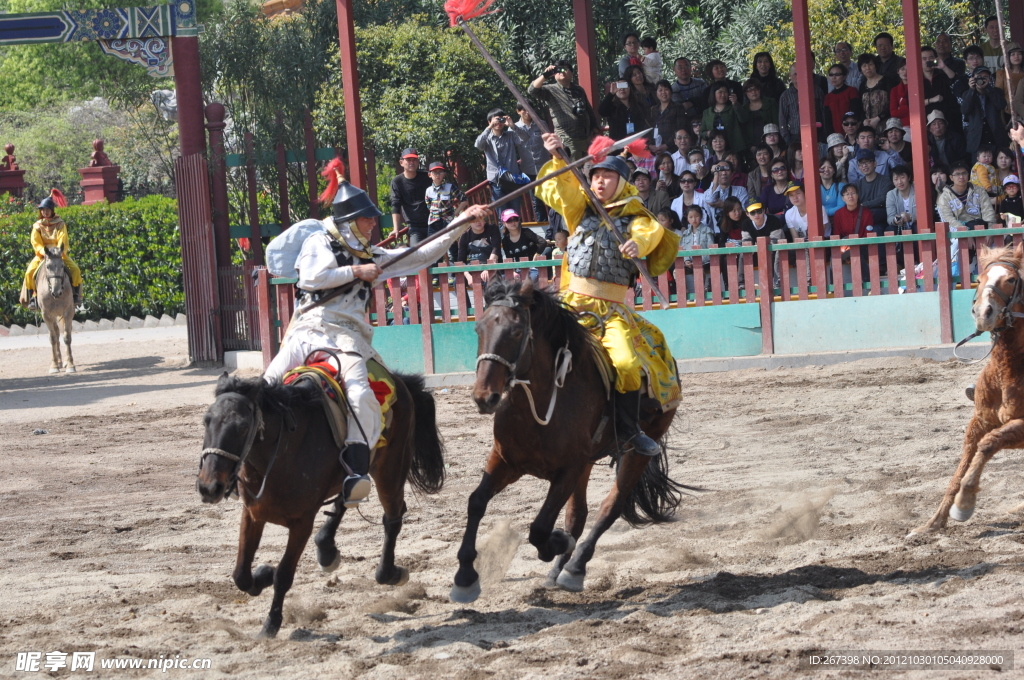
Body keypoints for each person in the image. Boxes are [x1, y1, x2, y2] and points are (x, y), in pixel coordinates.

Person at [265, 169, 490, 507]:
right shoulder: (319, 242)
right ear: (350, 221)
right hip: (306, 330)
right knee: (265, 385)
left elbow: (421, 255)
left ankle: (355, 469)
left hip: (346, 338)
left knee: (361, 394)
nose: (374, 225)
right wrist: (356, 271)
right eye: (367, 219)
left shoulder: (372, 255)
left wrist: (459, 222)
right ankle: (247, 456)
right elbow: (312, 277)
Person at [537, 132, 680, 456]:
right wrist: (559, 158)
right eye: (596, 176)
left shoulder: (635, 216)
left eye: (608, 176)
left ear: (622, 181)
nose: (600, 182)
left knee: (627, 364)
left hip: (610, 311)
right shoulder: (579, 211)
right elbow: (563, 191)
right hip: (570, 304)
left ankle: (627, 430)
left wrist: (636, 245)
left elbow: (650, 232)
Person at [20, 189, 81, 310]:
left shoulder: (60, 224)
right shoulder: (37, 225)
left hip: (58, 254)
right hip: (43, 254)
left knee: (75, 270)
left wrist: (58, 252)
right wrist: (44, 252)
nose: (45, 212)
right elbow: (35, 242)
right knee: (29, 272)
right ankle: (33, 297)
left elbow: (63, 239)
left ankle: (76, 297)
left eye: (47, 209)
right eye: (43, 210)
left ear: (52, 210)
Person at [528, 61, 600, 160]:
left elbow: (589, 110)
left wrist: (595, 128)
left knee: (587, 168)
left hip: (585, 137)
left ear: (571, 73)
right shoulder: (551, 90)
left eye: (564, 69)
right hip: (567, 138)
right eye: (558, 70)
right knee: (573, 170)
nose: (561, 72)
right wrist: (546, 74)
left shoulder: (579, 90)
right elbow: (532, 90)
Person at [476, 109, 533, 216]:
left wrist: (512, 126)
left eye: (501, 120)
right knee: (502, 215)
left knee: (515, 214)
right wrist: (489, 128)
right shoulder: (487, 138)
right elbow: (478, 145)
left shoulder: (510, 135)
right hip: (496, 181)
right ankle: (504, 233)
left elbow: (525, 138)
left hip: (513, 180)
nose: (499, 123)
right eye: (496, 120)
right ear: (489, 121)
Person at [961, 65, 1010, 157]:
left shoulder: (996, 91)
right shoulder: (967, 94)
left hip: (995, 136)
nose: (981, 80)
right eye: (979, 77)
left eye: (985, 77)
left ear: (990, 79)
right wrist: (972, 90)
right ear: (972, 79)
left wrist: (988, 88)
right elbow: (965, 110)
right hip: (977, 139)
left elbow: (1001, 105)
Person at [424, 161, 468, 264]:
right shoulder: (428, 190)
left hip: (448, 221)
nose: (437, 175)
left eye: (440, 172)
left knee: (451, 247)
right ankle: (436, 277)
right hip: (433, 222)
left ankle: (454, 274)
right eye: (434, 172)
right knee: (434, 248)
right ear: (429, 175)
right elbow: (428, 205)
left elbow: (464, 199)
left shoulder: (450, 187)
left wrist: (455, 213)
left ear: (444, 174)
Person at [515, 104, 551, 222]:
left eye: (530, 109)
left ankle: (557, 227)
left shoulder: (541, 123)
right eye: (524, 110)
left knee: (550, 197)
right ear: (518, 111)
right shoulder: (514, 128)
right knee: (536, 201)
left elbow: (550, 142)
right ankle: (545, 230)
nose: (528, 113)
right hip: (529, 169)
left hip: (545, 167)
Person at [389, 148, 432, 245]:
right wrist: (396, 229)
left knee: (436, 255)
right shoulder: (397, 181)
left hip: (433, 223)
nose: (412, 162)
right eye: (408, 160)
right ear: (401, 162)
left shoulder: (427, 177)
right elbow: (395, 205)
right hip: (414, 227)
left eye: (414, 160)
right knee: (417, 255)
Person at [779, 63, 827, 145]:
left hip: (817, 134)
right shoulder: (785, 95)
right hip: (794, 137)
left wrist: (824, 134)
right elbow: (782, 120)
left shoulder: (817, 91)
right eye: (795, 74)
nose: (798, 76)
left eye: (801, 73)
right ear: (790, 75)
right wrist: (788, 140)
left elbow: (824, 114)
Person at [499, 208, 545, 282]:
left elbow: (543, 242)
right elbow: (509, 258)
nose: (513, 222)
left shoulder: (526, 232)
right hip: (518, 269)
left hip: (534, 267)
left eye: (516, 219)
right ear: (504, 223)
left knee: (530, 280)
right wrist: (513, 272)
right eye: (509, 220)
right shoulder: (505, 240)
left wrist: (537, 254)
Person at [853, 148, 894, 229]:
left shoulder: (885, 180)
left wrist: (864, 205)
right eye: (861, 163)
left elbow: (883, 199)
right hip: (863, 220)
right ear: (858, 167)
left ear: (875, 163)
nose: (864, 165)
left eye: (868, 162)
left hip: (881, 221)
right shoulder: (857, 184)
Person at [737, 79, 779, 156]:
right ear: (746, 93)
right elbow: (743, 130)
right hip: (753, 145)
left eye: (756, 89)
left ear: (760, 90)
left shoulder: (771, 102)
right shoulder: (743, 108)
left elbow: (776, 122)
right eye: (749, 90)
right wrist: (750, 146)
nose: (753, 92)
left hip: (772, 142)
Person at [701, 82, 745, 154]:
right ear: (713, 94)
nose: (723, 95)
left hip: (733, 148)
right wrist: (708, 133)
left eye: (725, 92)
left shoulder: (733, 108)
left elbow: (743, 119)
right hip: (715, 150)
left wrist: (736, 104)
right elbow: (702, 132)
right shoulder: (707, 112)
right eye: (720, 92)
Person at [649, 80, 688, 154]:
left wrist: (666, 145)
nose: (663, 92)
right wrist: (651, 145)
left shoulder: (678, 107)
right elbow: (649, 128)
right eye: (660, 90)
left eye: (666, 89)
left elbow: (680, 128)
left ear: (671, 92)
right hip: (655, 149)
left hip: (672, 148)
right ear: (656, 93)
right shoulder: (653, 109)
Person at [704, 160, 748, 224]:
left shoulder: (741, 190)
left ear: (732, 174)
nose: (724, 173)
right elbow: (711, 200)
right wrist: (715, 175)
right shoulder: (707, 193)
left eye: (727, 169)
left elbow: (744, 210)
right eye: (720, 169)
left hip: (735, 228)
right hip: (716, 231)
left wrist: (724, 205)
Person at [824, 64, 863, 136]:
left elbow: (856, 112)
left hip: (852, 132)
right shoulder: (828, 97)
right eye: (831, 75)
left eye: (837, 74)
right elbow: (827, 120)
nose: (834, 77)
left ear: (844, 76)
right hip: (835, 135)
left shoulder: (852, 91)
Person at [858, 53, 893, 132]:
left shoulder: (887, 81)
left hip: (886, 123)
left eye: (870, 64)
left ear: (875, 65)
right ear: (861, 69)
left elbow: (892, 103)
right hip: (868, 126)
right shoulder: (862, 86)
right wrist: (864, 120)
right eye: (864, 66)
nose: (867, 68)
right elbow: (859, 106)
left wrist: (878, 118)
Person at [886, 165, 917, 232]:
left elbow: (924, 213)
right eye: (896, 179)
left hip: (916, 225)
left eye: (902, 177)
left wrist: (910, 217)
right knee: (890, 230)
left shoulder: (917, 190)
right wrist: (895, 219)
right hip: (900, 227)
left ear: (909, 178)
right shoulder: (891, 194)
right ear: (893, 181)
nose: (899, 182)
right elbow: (890, 218)